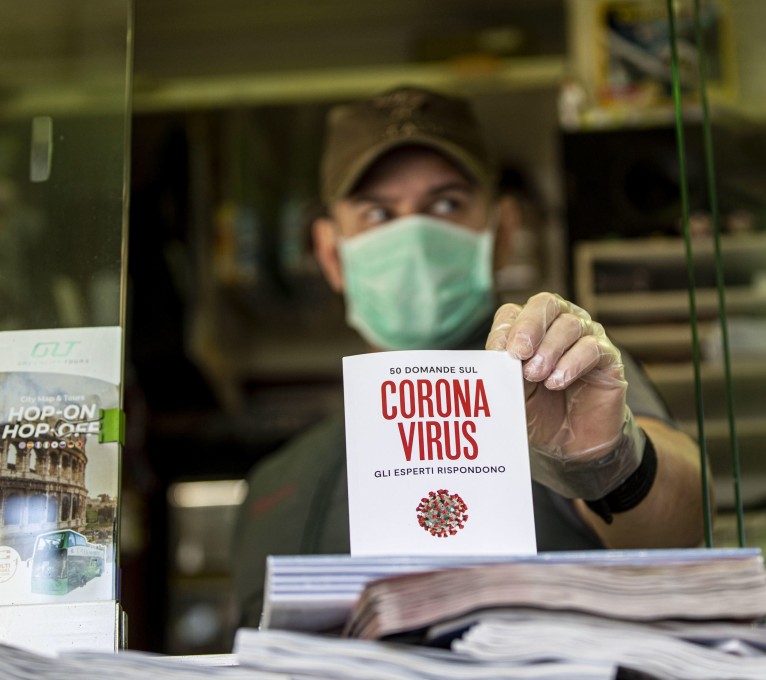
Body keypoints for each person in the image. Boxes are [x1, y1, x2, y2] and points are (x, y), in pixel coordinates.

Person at [231, 85, 706, 628]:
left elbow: (684, 527)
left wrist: (608, 460)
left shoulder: (557, 382)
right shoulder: (274, 485)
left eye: (446, 204)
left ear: (501, 232)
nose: (413, 235)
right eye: (378, 212)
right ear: (329, 252)